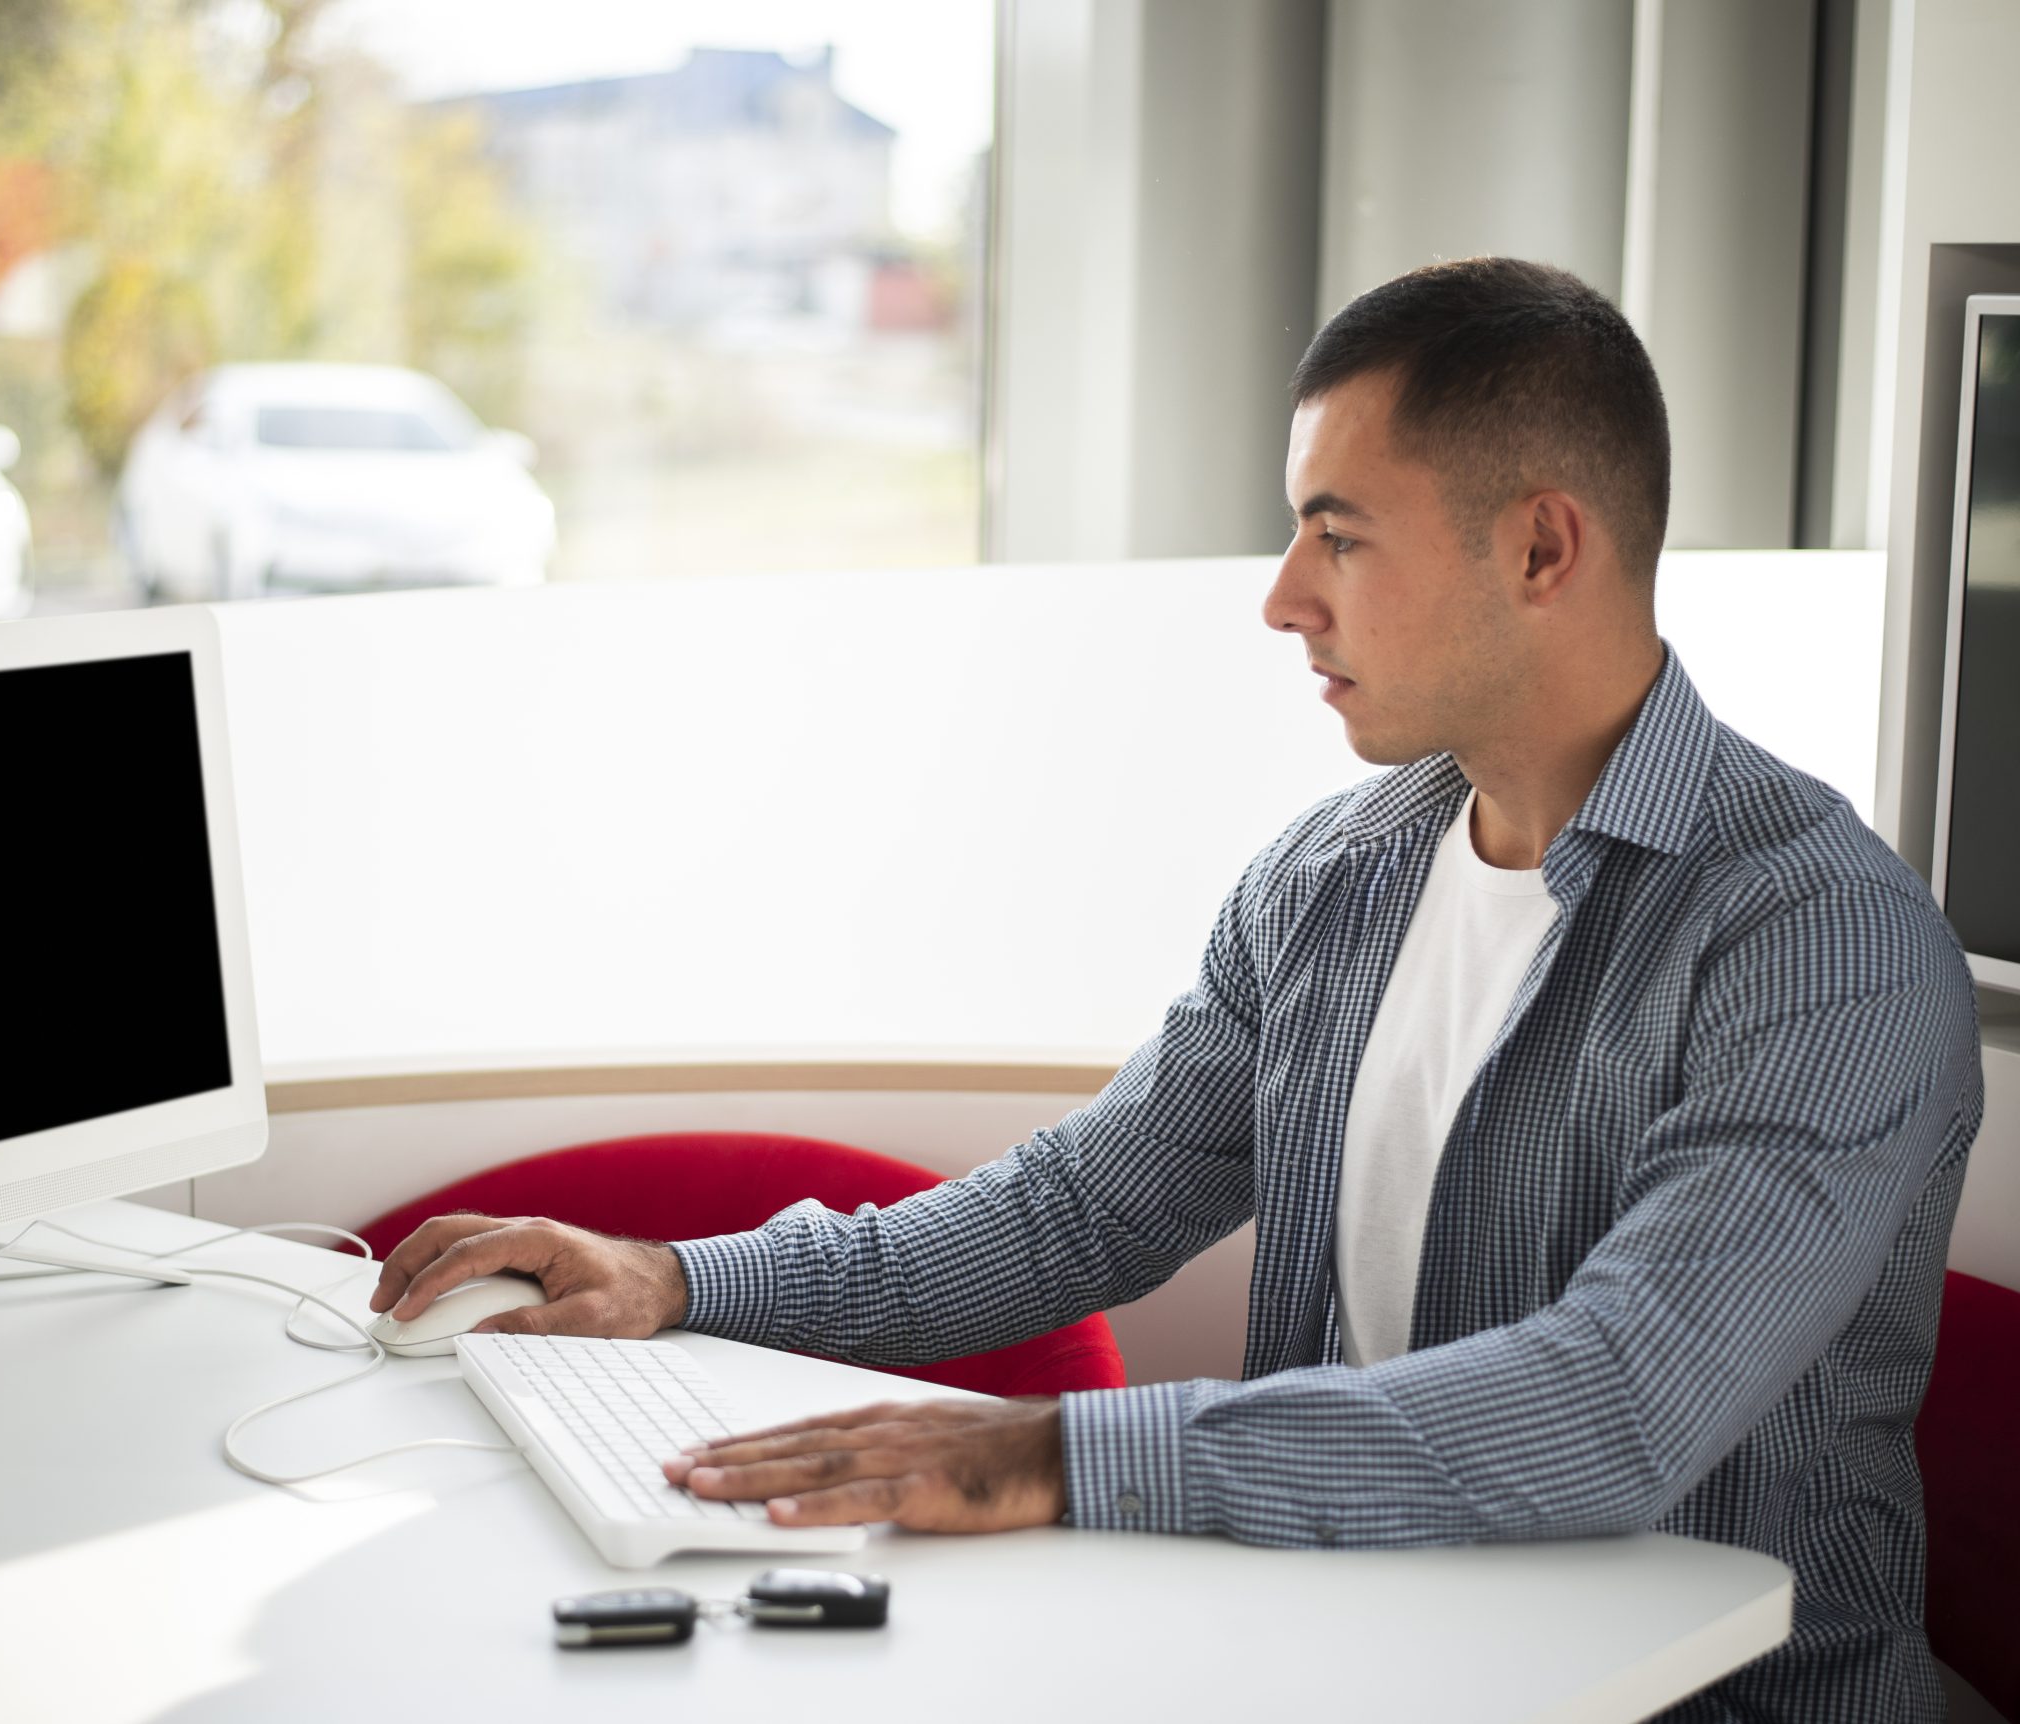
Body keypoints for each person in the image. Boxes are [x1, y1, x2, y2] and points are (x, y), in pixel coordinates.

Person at [367, 257, 1981, 1722]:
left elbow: (1623, 1400)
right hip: (1349, 1662)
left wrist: (1050, 1459)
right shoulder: (1330, 881)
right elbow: (1077, 1213)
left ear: (1543, 545)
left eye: (1340, 535)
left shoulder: (1818, 946)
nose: (1284, 595)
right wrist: (672, 1279)